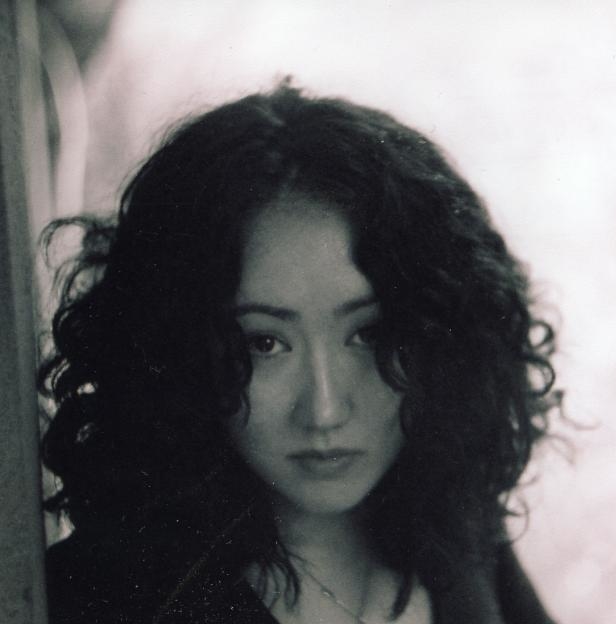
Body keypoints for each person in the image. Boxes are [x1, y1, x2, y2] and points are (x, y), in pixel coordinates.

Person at [39, 83, 562, 624]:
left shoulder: (460, 537)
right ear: (178, 352)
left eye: (371, 334)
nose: (325, 411)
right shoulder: (100, 599)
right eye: (263, 344)